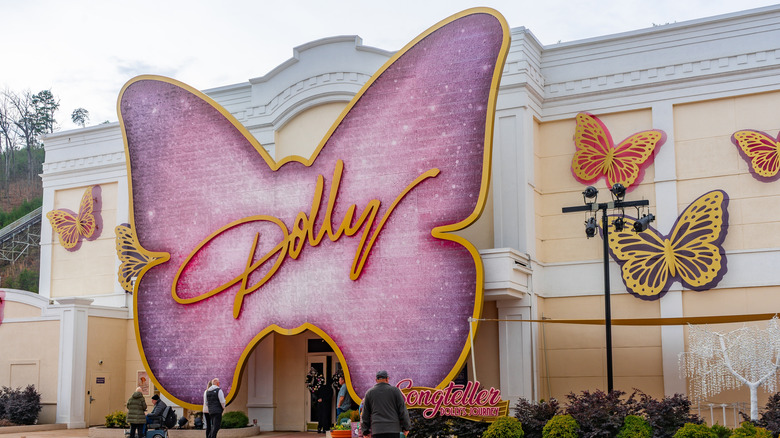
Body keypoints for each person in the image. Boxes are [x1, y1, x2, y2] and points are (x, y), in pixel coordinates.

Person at [361, 370, 411, 438]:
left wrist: (365, 431)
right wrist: (406, 427)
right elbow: (403, 411)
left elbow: (365, 415)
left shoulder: (369, 393)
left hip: (377, 430)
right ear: (387, 379)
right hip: (393, 430)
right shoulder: (395, 391)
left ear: (376, 380)